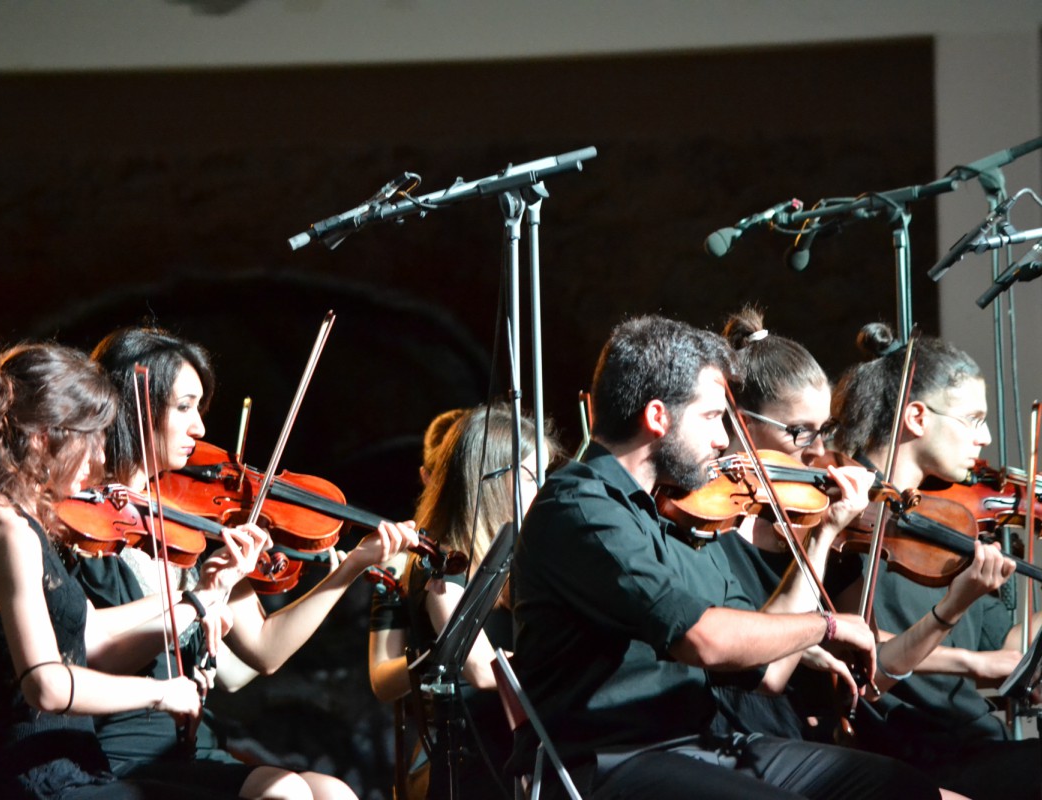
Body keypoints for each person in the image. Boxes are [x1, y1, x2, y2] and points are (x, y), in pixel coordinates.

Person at [509, 314, 945, 800]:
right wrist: (829, 625)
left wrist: (822, 535)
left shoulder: (668, 514)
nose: (723, 440)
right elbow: (704, 641)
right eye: (713, 418)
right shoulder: (581, 507)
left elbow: (768, 672)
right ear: (658, 417)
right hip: (611, 760)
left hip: (699, 744)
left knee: (899, 788)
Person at [74, 325, 419, 800]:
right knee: (286, 793)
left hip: (192, 748)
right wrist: (198, 597)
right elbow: (84, 649)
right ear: (136, 409)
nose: (200, 429)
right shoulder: (82, 529)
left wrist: (353, 565)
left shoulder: (193, 529)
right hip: (113, 752)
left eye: (200, 408)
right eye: (184, 407)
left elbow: (266, 650)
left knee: (334, 793)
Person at [0, 342, 259, 799]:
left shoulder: (18, 523)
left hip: (76, 767)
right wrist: (159, 694)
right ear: (43, 437)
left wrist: (199, 598)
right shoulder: (5, 529)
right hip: (41, 781)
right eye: (92, 438)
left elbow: (91, 634)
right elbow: (47, 684)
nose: (102, 459)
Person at [831, 321, 1041, 800]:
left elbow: (1004, 645)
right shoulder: (845, 517)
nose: (986, 438)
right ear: (918, 417)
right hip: (904, 751)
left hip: (973, 740)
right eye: (974, 419)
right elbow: (848, 636)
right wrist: (973, 659)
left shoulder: (956, 520)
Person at [369, 404, 557, 800]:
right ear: (490, 481)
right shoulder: (444, 569)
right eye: (529, 475)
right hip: (477, 762)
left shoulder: (517, 554)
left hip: (515, 744)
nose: (541, 488)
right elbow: (484, 673)